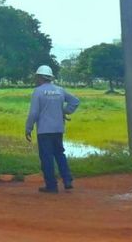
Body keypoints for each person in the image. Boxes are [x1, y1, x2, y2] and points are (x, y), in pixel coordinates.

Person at [25, 64, 80, 193]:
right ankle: (67, 180)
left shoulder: (38, 91)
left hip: (44, 130)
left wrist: (28, 128)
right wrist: (64, 111)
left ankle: (51, 185)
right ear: (50, 77)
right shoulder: (60, 90)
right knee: (60, 154)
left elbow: (33, 113)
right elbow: (75, 101)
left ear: (39, 77)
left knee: (46, 157)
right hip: (58, 129)